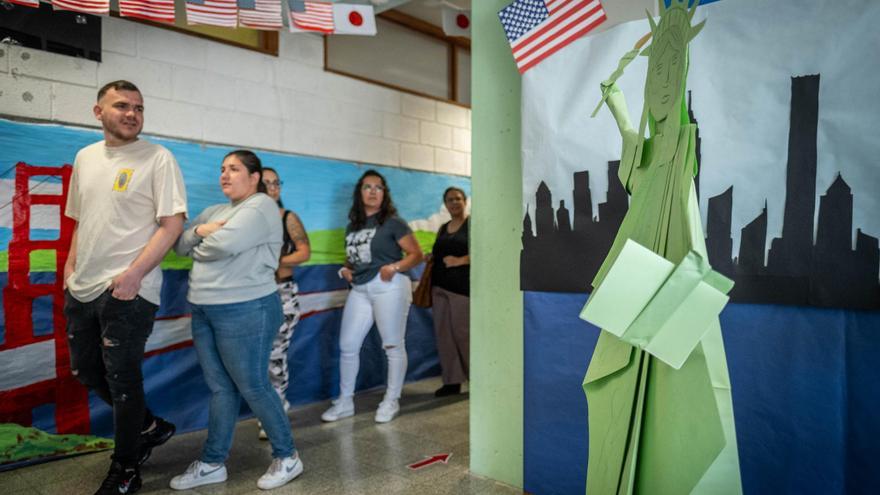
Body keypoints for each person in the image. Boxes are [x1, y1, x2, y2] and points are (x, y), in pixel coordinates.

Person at [584, 2, 741, 493]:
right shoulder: (646, 153)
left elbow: (689, 233)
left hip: (663, 277)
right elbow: (628, 127)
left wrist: (681, 302)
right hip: (634, 280)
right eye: (657, 70)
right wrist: (614, 91)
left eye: (673, 67)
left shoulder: (681, 147)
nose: (663, 81)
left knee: (677, 399)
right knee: (616, 390)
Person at [63, 80, 186, 495]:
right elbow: (82, 220)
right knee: (85, 370)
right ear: (98, 112)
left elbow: (172, 225)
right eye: (121, 105)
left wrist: (133, 274)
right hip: (82, 286)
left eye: (138, 107)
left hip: (130, 290)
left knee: (123, 379)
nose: (132, 113)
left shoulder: (158, 158)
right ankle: (150, 427)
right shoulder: (85, 157)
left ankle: (126, 469)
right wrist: (69, 268)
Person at [170, 150, 302, 491]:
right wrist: (202, 229)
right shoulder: (215, 212)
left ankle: (287, 456)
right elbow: (179, 245)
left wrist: (202, 239)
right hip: (203, 307)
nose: (225, 175)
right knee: (221, 388)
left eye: (234, 169)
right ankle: (213, 462)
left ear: (254, 177)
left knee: (254, 385)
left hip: (246, 308)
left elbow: (221, 247)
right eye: (222, 169)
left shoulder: (261, 206)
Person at [321, 170, 424, 424]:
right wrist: (346, 268)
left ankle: (391, 400)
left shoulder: (392, 222)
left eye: (378, 187)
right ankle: (345, 402)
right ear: (360, 192)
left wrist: (395, 267)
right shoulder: (352, 226)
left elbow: (416, 254)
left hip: (388, 284)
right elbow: (355, 257)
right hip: (360, 287)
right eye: (368, 187)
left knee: (392, 344)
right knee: (348, 345)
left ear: (384, 193)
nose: (373, 191)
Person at [258, 167, 311, 440]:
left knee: (274, 353)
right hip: (255, 295)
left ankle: (275, 410)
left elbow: (304, 251)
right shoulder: (250, 220)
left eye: (276, 183)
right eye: (266, 183)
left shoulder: (287, 217)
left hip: (283, 293)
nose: (272, 187)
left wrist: (278, 261)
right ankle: (271, 405)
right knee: (258, 355)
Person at [430, 187, 470, 397]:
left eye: (457, 199)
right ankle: (452, 382)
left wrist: (460, 260)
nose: (454, 203)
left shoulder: (472, 225)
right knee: (444, 336)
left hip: (462, 290)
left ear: (465, 201)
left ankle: (478, 379)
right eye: (449, 200)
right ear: (445, 204)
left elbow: (485, 252)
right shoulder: (444, 228)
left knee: (464, 335)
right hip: (439, 288)